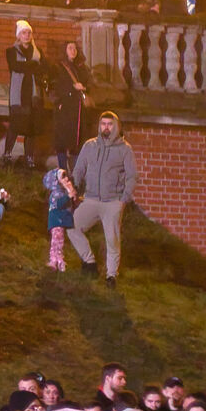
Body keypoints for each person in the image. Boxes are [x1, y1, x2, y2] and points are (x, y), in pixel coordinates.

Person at [66, 111, 138, 287]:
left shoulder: (125, 149)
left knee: (112, 239)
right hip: (90, 198)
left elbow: (132, 176)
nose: (106, 127)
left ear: (116, 126)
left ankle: (111, 276)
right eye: (103, 124)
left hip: (112, 201)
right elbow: (79, 169)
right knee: (71, 225)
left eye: (110, 124)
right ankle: (89, 262)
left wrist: (123, 199)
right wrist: (72, 189)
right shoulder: (90, 146)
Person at [4, 20, 45, 167]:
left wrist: (30, 66)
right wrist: (32, 65)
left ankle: (29, 157)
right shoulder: (11, 51)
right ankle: (7, 154)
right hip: (19, 95)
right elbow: (15, 66)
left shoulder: (37, 52)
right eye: (23, 33)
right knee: (15, 125)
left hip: (33, 94)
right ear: (18, 36)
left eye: (29, 33)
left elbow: (42, 69)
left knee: (31, 128)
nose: (27, 36)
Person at [50, 41, 93, 170]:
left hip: (79, 108)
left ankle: (76, 170)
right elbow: (55, 86)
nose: (73, 51)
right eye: (70, 48)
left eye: (74, 48)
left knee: (77, 140)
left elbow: (90, 84)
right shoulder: (58, 68)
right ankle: (62, 168)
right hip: (65, 108)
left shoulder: (82, 67)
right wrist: (71, 88)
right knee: (62, 140)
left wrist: (84, 87)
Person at [43, 167, 77, 272]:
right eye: (63, 177)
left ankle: (57, 260)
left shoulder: (64, 191)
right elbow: (58, 204)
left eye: (66, 176)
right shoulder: (56, 193)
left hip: (61, 219)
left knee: (59, 241)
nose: (66, 179)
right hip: (56, 220)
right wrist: (68, 196)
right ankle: (55, 260)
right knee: (57, 240)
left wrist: (72, 194)